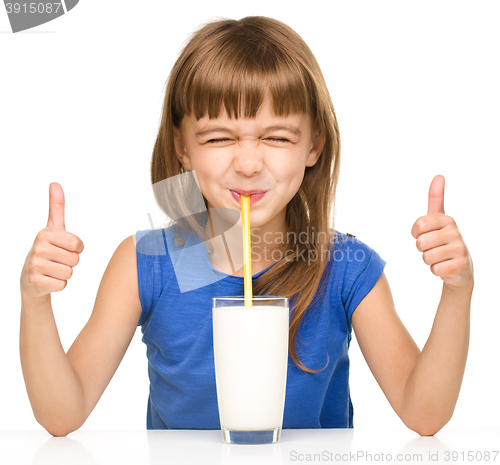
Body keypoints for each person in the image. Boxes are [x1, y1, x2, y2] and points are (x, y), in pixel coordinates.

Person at [19, 16, 474, 438]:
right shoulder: (149, 264)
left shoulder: (346, 268)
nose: (249, 163)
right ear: (182, 148)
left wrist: (457, 290)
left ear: (314, 145)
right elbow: (63, 414)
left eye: (277, 137)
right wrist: (35, 301)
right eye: (219, 138)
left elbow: (424, 414)